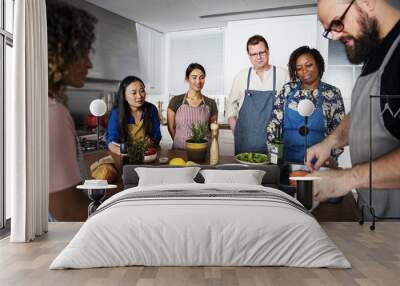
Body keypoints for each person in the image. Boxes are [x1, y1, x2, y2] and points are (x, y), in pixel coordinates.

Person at [308, 0, 400, 219]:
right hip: (376, 216)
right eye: (330, 30)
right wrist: (330, 142)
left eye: (337, 23)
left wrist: (348, 178)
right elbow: (365, 111)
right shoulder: (376, 53)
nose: (336, 35)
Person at [47, 0, 97, 221]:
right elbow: (67, 210)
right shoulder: (52, 112)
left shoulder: (36, 102)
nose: (89, 64)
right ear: (59, 52)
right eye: (82, 53)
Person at [266, 46, 345, 164]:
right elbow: (273, 126)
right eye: (299, 68)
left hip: (319, 163)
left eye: (309, 65)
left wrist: (329, 159)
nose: (304, 71)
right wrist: (275, 157)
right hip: (286, 161)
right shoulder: (288, 90)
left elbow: (339, 132)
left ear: (318, 65)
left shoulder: (332, 93)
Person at [226, 35, 289, 154]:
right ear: (249, 55)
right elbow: (230, 105)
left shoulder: (283, 75)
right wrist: (236, 129)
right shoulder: (242, 76)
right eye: (254, 54)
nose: (258, 57)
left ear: (268, 51)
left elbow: (291, 107)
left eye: (262, 52)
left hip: (275, 142)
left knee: (274, 172)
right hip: (246, 142)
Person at [167, 63, 218, 149]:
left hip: (203, 151)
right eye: (194, 77)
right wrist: (180, 143)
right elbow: (171, 128)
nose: (198, 81)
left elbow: (214, 130)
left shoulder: (211, 103)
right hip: (179, 151)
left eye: (202, 78)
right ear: (187, 79)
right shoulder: (175, 101)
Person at [107, 76, 161, 155]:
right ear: (124, 96)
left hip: (147, 154)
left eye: (142, 91)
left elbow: (157, 136)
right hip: (125, 155)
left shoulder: (151, 109)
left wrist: (149, 143)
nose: (139, 96)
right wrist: (127, 154)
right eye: (134, 93)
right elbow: (112, 143)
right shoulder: (117, 112)